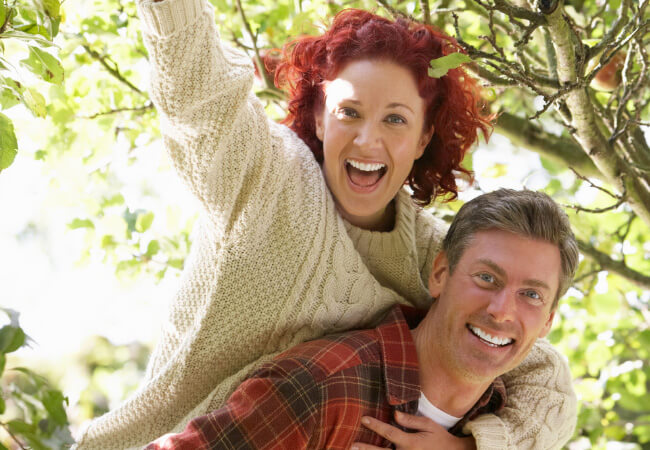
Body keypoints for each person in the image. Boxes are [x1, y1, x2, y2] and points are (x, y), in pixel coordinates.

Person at [73, 0, 577, 448]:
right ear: (318, 118)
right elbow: (199, 101)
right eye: (349, 112)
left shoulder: (432, 254)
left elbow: (543, 372)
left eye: (396, 120)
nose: (367, 141)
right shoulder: (271, 181)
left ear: (424, 139)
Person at [145, 189, 579, 450]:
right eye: (486, 278)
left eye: (530, 295)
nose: (502, 310)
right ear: (440, 274)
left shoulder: (500, 418)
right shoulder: (325, 384)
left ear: (547, 323)